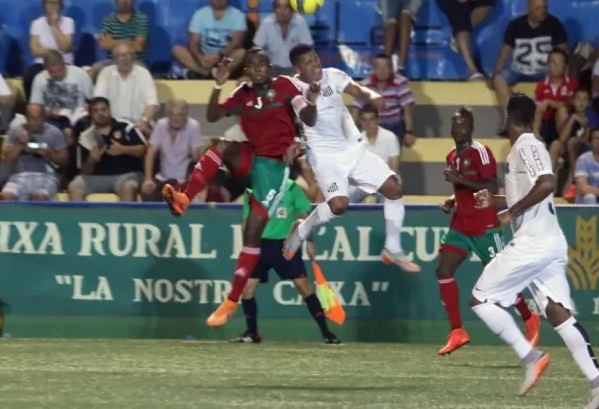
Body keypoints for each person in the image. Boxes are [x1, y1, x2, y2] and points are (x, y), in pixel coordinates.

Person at [471, 93, 599, 405]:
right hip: (547, 243)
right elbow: (533, 191)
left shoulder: (527, 144)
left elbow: (548, 183)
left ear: (509, 116)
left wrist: (509, 213)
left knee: (480, 298)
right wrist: (497, 201)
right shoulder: (522, 148)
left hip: (533, 243)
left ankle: (530, 357)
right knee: (558, 312)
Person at [162, 48, 319, 328]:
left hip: (274, 169)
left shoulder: (284, 86)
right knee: (221, 146)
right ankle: (185, 198)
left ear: (269, 67)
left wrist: (313, 102)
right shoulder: (242, 95)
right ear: (246, 71)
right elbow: (212, 115)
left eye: (262, 64)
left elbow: (307, 116)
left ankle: (231, 301)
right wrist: (218, 83)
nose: (258, 69)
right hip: (253, 158)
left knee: (252, 233)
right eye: (252, 65)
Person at [281, 45, 419, 274]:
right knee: (338, 205)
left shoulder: (333, 75)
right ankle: (302, 230)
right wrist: (312, 101)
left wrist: (372, 95)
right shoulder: (293, 87)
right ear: (298, 68)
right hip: (324, 157)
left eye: (316, 57)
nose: (316, 63)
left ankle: (392, 249)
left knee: (394, 189)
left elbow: (356, 89)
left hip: (353, 150)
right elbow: (309, 118)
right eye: (308, 61)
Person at [436, 107, 540, 356]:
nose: (457, 129)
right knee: (443, 269)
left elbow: (490, 186)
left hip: (485, 226)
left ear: (471, 129)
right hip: (461, 224)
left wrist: (458, 179)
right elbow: (464, 187)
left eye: (462, 125)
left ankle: (529, 318)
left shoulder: (480, 152)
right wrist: (452, 198)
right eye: (454, 125)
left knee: (501, 279)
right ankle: (457, 331)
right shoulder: (452, 155)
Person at [230, 173, 341, 345]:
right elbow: (245, 221)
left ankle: (326, 332)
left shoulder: (291, 188)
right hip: (258, 245)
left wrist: (309, 241)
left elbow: (306, 216)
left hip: (286, 245)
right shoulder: (252, 191)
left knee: (304, 288)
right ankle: (252, 333)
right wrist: (246, 248)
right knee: (248, 290)